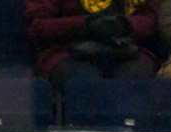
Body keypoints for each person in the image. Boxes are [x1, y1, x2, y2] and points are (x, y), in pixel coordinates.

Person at [26, 0, 160, 91]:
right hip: (66, 51)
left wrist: (125, 25)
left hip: (126, 49)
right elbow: (37, 26)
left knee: (134, 77)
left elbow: (151, 21)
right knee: (85, 82)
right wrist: (85, 24)